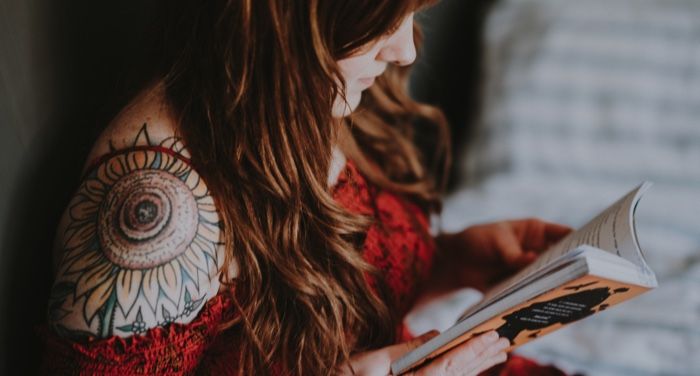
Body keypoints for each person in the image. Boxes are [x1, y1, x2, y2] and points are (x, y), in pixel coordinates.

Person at [42, 0, 572, 374]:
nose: (405, 50)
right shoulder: (161, 205)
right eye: (384, 14)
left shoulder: (313, 94)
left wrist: (449, 262)